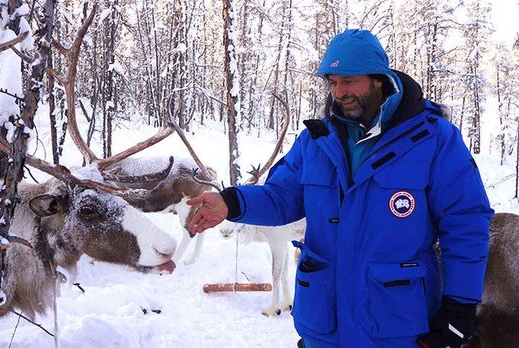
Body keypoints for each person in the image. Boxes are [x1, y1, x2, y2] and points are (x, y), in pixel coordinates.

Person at [186, 29, 493, 348]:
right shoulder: (317, 140)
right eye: (332, 82)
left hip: (396, 327)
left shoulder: (434, 140)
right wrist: (231, 203)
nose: (339, 91)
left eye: (349, 81)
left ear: (379, 79)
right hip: (324, 326)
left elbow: (467, 224)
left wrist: (459, 308)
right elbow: (283, 197)